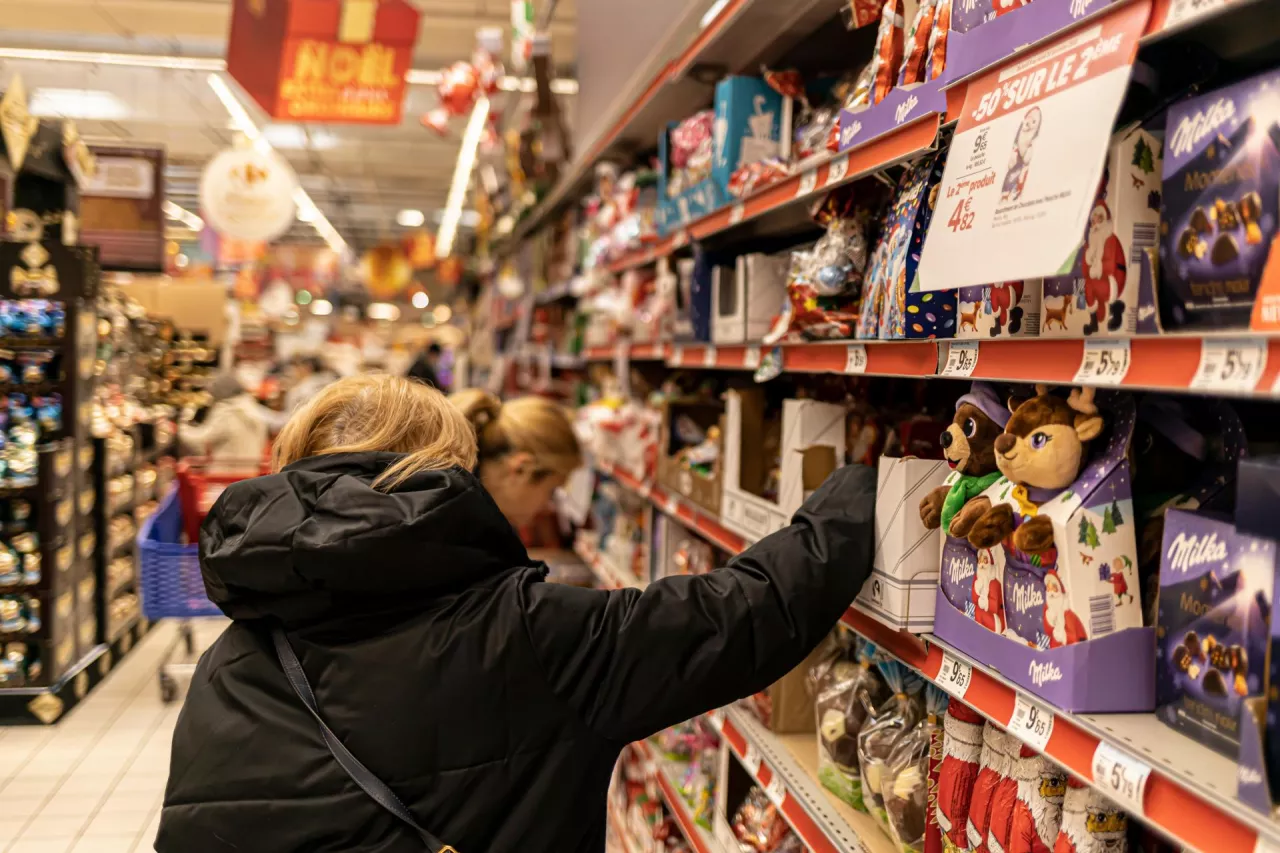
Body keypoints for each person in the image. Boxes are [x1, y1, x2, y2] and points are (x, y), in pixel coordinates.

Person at [158, 375, 876, 853]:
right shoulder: (532, 634)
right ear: (448, 475)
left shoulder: (228, 663)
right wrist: (867, 478)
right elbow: (745, 613)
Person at [177, 373, 269, 476]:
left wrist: (183, 424)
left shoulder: (227, 411)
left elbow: (200, 440)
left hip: (224, 477)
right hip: (249, 475)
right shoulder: (253, 410)